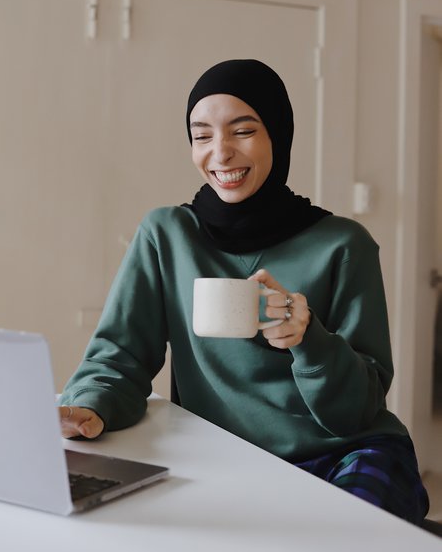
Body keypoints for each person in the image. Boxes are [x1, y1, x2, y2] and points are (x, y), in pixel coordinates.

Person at [59, 58, 429, 524]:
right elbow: (119, 358)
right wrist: (89, 406)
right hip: (224, 459)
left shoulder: (343, 244)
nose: (221, 153)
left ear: (278, 133)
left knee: (348, 537)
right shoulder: (166, 234)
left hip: (345, 453)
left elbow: (357, 411)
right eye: (202, 135)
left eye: (243, 130)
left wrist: (306, 338)